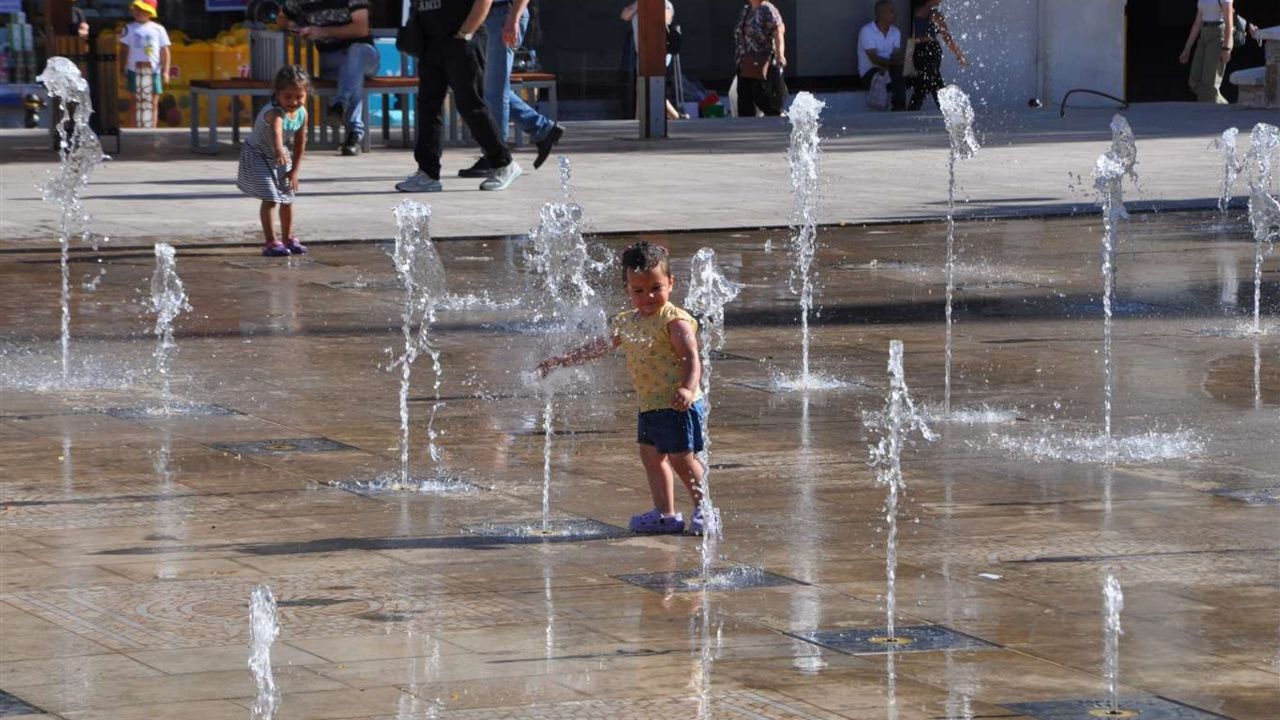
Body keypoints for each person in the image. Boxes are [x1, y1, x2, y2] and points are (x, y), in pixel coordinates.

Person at [537, 242, 708, 535]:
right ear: (627, 288)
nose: (648, 297)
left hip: (679, 402)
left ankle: (706, 508)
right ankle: (665, 514)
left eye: (656, 288)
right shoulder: (626, 322)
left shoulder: (674, 320)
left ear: (671, 283)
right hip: (651, 404)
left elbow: (692, 357)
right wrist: (563, 360)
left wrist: (687, 389)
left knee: (682, 458)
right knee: (651, 457)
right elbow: (598, 346)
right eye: (638, 291)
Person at [396, 0, 522, 193]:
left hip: (463, 38)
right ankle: (427, 173)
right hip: (431, 40)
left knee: (470, 105)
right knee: (428, 107)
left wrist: (465, 34)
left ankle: (504, 163)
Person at [457, 0, 564, 179]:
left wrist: (513, 18)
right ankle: (542, 129)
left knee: (494, 92)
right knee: (488, 89)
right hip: (485, 15)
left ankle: (497, 156)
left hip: (503, 14)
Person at [279, 0, 379, 156]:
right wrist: (295, 27)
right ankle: (352, 134)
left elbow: (361, 28)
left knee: (355, 54)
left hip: (364, 56)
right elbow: (282, 18)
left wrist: (323, 32)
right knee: (352, 75)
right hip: (331, 60)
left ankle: (340, 104)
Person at [237, 66, 310, 257]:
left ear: (306, 94)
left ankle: (288, 238)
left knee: (288, 197)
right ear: (277, 94)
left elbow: (301, 140)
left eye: (299, 97)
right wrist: (279, 150)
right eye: (288, 97)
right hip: (258, 154)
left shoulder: (302, 113)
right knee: (270, 198)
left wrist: (294, 170)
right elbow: (277, 133)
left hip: (280, 155)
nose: (293, 102)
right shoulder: (275, 112)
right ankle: (271, 241)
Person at [621, 1, 685, 120]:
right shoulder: (638, 6)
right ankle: (641, 119)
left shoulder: (664, 4)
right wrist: (639, 5)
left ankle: (675, 117)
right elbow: (625, 15)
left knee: (652, 88)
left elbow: (666, 19)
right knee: (643, 88)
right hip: (642, 53)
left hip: (658, 52)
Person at [118, 0, 170, 128]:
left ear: (150, 12)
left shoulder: (158, 29)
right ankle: (133, 129)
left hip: (153, 70)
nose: (137, 12)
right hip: (134, 69)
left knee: (152, 101)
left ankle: (151, 129)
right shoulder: (129, 28)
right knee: (135, 101)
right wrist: (121, 68)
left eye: (141, 10)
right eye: (135, 9)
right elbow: (123, 50)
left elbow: (165, 51)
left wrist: (165, 71)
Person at [907, 0, 967, 112]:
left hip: (919, 49)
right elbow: (947, 37)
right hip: (930, 49)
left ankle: (941, 106)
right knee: (931, 78)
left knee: (932, 77)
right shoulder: (935, 14)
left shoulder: (916, 12)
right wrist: (958, 54)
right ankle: (941, 107)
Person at [734, 0, 786, 118]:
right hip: (743, 62)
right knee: (744, 98)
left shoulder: (768, 10)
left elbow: (778, 32)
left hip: (761, 61)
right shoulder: (746, 10)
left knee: (761, 96)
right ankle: (745, 127)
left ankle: (778, 116)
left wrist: (780, 55)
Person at [1180, 0, 1235, 104]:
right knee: (1194, 81)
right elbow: (1197, 23)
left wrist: (1226, 48)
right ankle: (1222, 106)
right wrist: (1187, 48)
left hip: (1218, 35)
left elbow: (1229, 22)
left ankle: (1212, 112)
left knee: (1209, 85)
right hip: (1204, 34)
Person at [857, 0, 905, 111]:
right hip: (870, 72)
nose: (896, 14)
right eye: (892, 11)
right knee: (895, 72)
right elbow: (873, 58)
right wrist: (893, 64)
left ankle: (899, 108)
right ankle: (897, 108)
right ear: (882, 13)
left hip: (889, 68)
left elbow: (896, 54)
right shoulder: (867, 31)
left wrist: (896, 63)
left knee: (898, 72)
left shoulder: (895, 32)